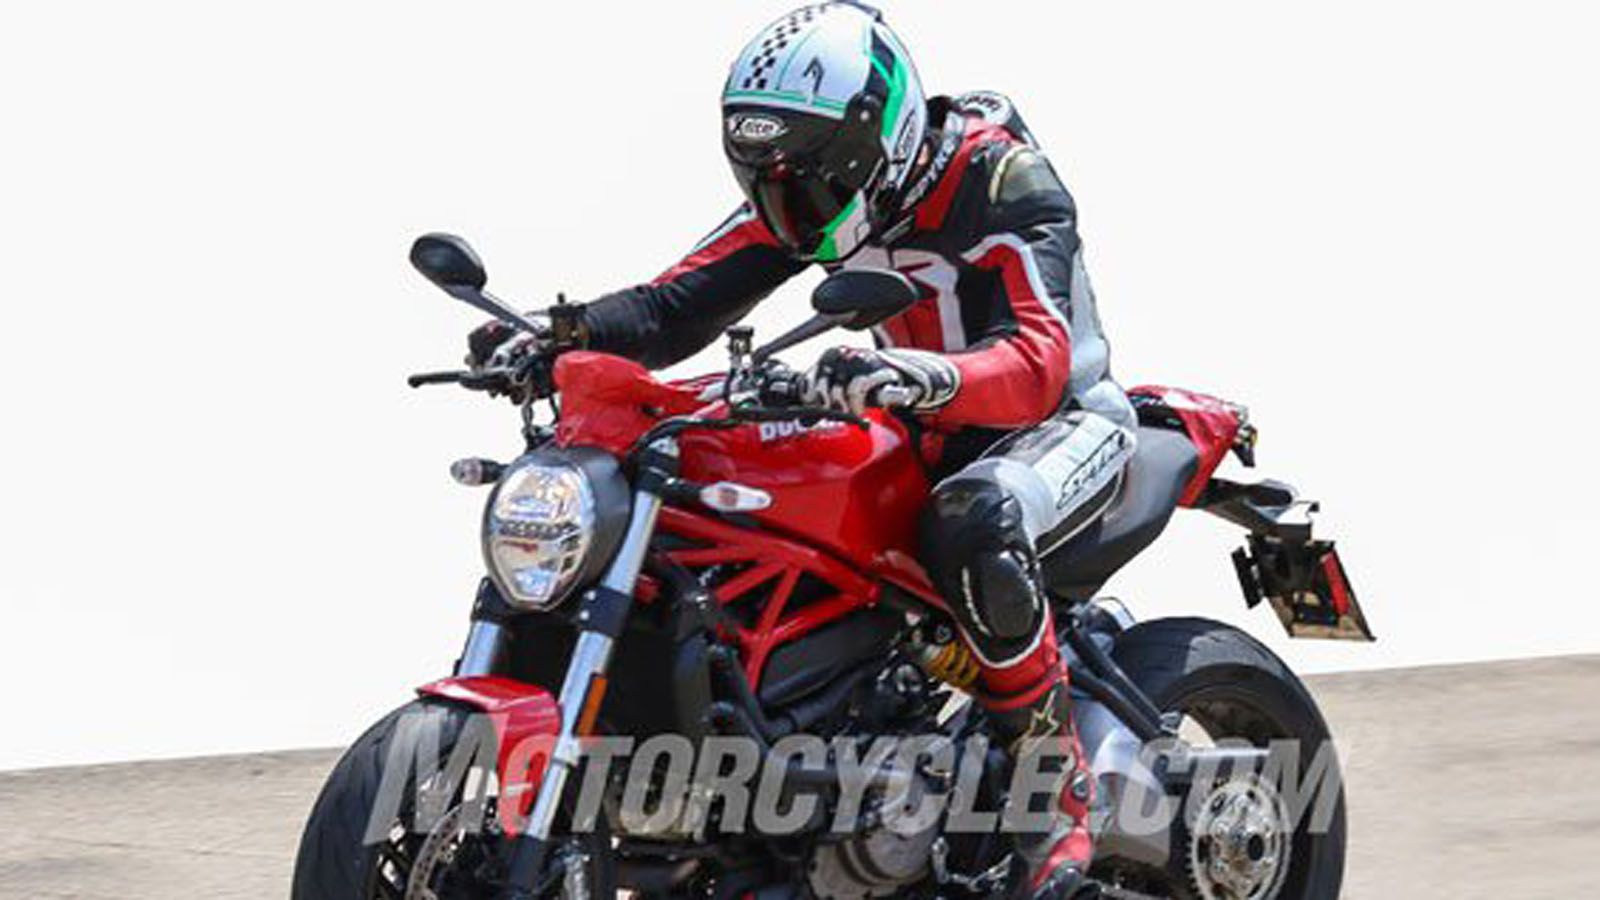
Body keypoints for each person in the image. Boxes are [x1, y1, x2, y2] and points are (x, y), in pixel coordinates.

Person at [470, 4, 1135, 897]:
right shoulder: (810, 193)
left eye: (807, 182)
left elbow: (1039, 358)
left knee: (973, 517)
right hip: (914, 419)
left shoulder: (1002, 181)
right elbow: (675, 307)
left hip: (1056, 422)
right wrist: (560, 335)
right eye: (766, 182)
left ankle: (1057, 798)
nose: (787, 206)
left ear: (878, 142)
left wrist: (922, 375)